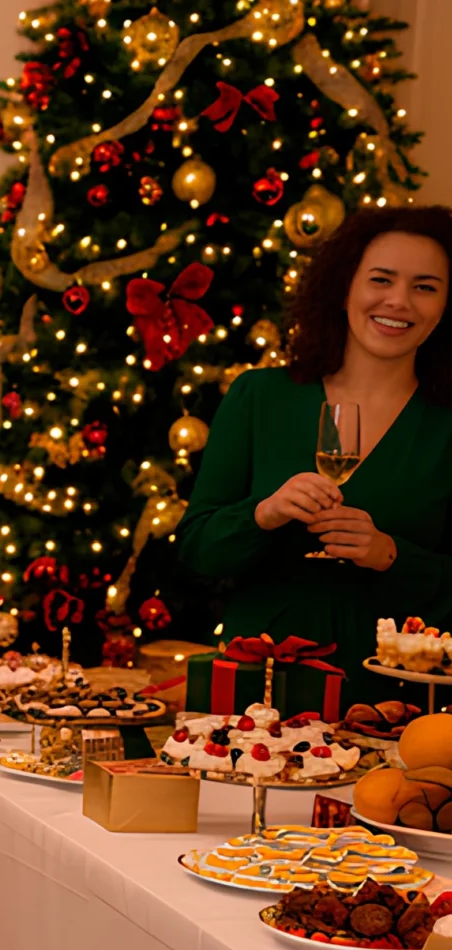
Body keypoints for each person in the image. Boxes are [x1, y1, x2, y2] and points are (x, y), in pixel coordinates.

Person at [180, 206, 452, 696]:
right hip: (260, 695)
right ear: (343, 286)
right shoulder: (258, 397)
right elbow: (198, 551)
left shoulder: (446, 425)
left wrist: (389, 554)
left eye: (425, 287)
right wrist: (263, 515)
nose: (399, 301)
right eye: (381, 279)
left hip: (396, 700)